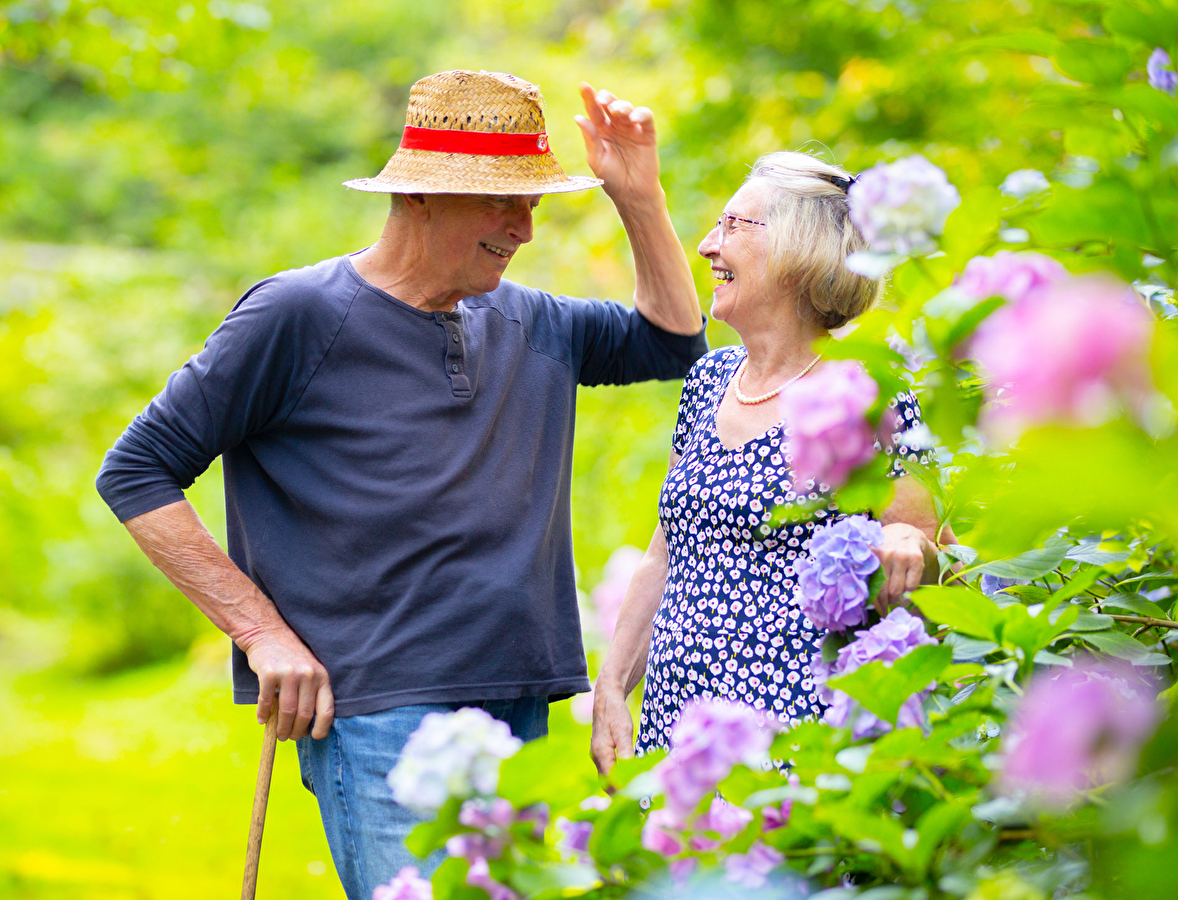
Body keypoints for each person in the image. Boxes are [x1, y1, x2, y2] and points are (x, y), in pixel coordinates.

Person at [95, 70, 707, 898]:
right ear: (418, 195)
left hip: (514, 701)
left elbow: (672, 343)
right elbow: (137, 469)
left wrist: (638, 195)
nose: (523, 228)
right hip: (376, 709)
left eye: (531, 202)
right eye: (500, 201)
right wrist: (261, 633)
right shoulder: (299, 314)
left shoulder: (532, 320)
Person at [588, 152, 947, 774]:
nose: (707, 245)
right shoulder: (709, 378)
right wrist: (613, 688)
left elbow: (928, 547)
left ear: (795, 249)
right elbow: (665, 554)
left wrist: (905, 540)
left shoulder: (869, 387)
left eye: (732, 226)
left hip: (799, 738)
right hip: (681, 737)